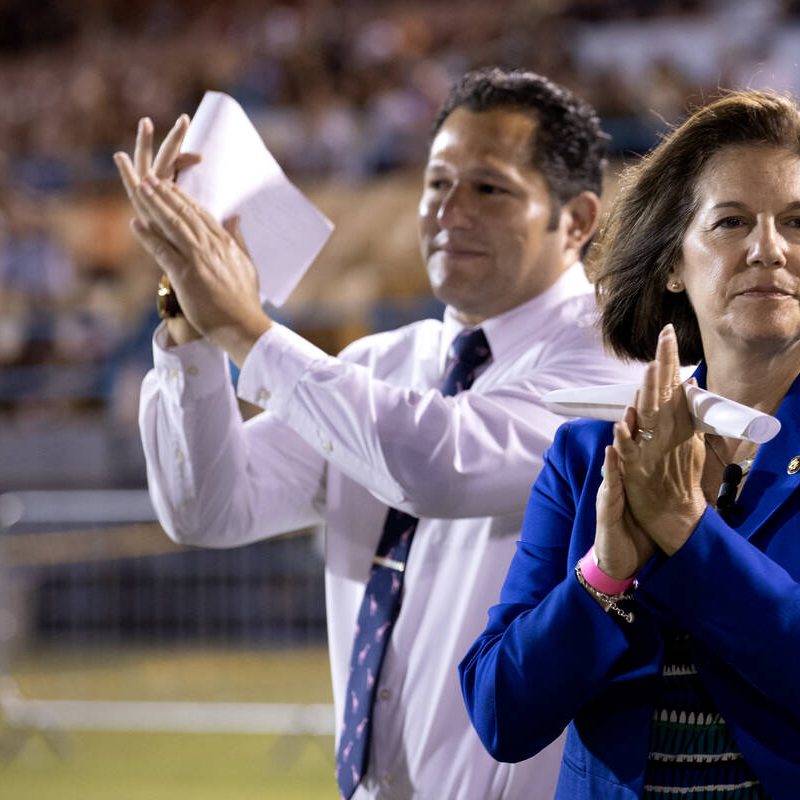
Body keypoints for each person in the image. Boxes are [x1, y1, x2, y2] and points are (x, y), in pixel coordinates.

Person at [113, 68, 642, 800]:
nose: (448, 211)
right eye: (436, 183)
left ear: (577, 220)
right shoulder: (379, 366)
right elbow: (211, 509)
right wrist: (190, 327)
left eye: (488, 188)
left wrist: (245, 328)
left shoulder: (616, 360)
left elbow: (438, 466)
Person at [460, 90, 800, 799]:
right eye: (730, 222)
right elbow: (501, 715)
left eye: (799, 223)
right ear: (674, 263)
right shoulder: (586, 452)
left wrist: (684, 528)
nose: (768, 249)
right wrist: (606, 576)